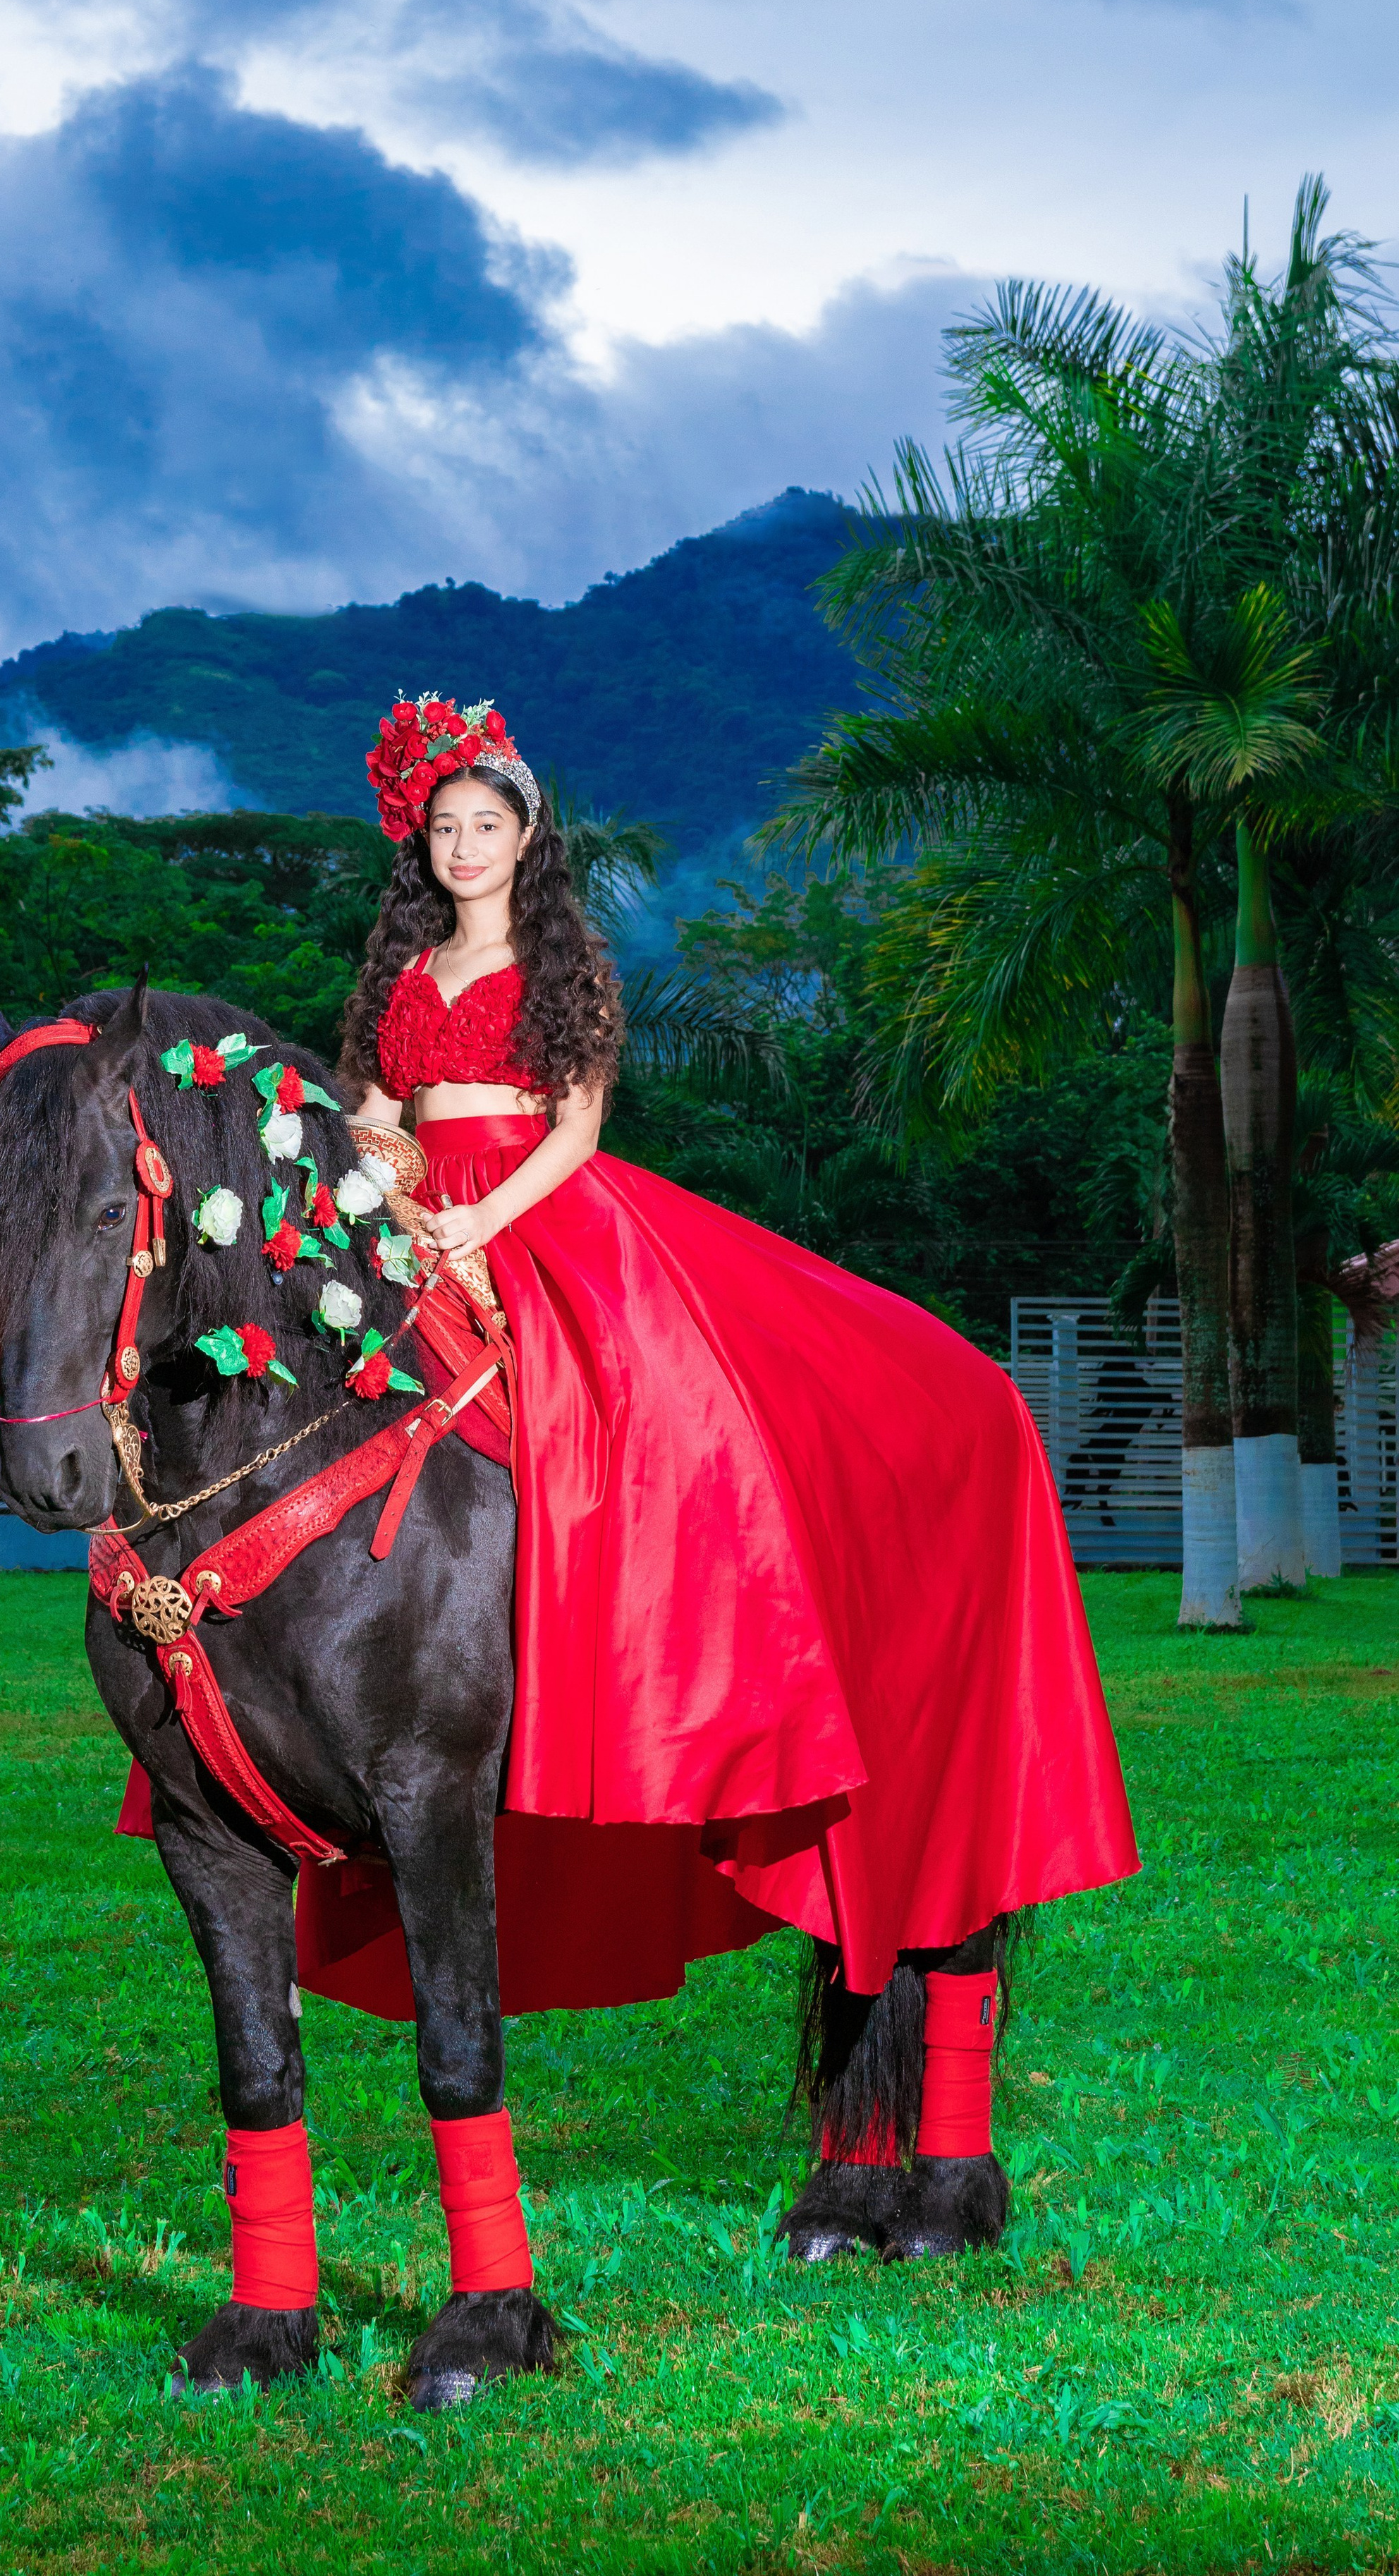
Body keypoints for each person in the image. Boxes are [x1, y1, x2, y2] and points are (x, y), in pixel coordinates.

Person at [296, 693, 1137, 2023]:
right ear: (425, 851)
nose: (466, 846)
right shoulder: (403, 978)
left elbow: (576, 1130)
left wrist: (478, 1222)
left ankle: (661, 1642)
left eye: (487, 825)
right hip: (414, 1219)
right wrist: (388, 1187)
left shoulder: (562, 967)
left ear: (526, 841)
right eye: (445, 828)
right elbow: (378, 1115)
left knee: (629, 1410)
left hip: (534, 1213)